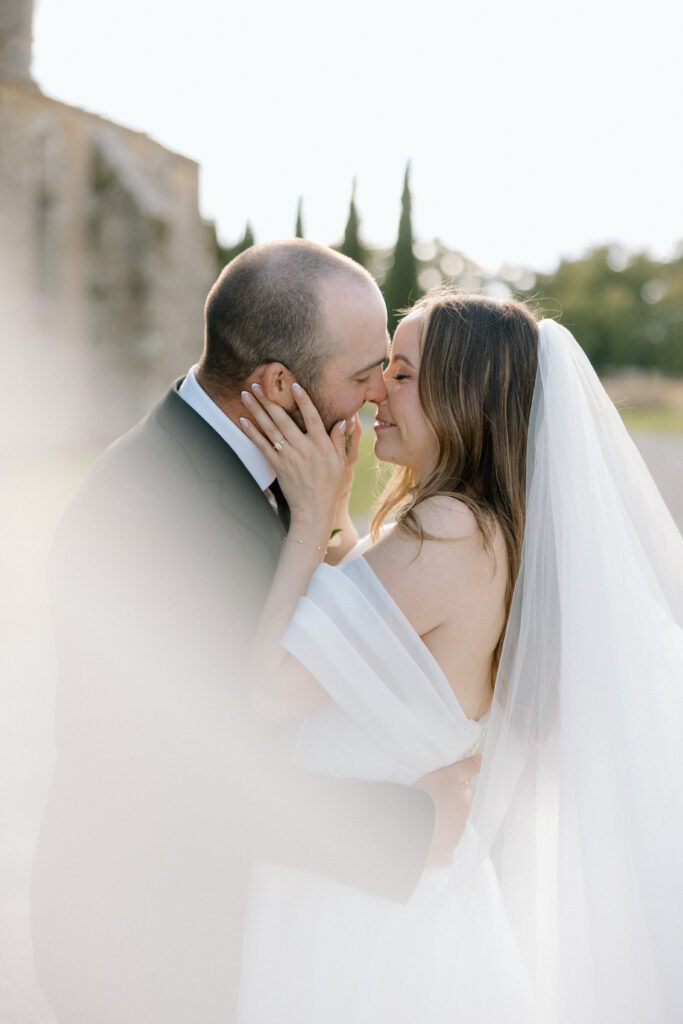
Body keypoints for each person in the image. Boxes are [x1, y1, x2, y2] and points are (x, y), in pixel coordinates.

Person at [31, 242, 477, 1024]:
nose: (379, 395)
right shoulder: (151, 510)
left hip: (213, 931)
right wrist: (412, 826)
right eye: (364, 371)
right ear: (276, 384)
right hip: (142, 951)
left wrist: (321, 520)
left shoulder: (255, 469)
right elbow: (188, 779)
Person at [236, 290, 683, 1023]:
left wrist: (310, 519)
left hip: (361, 904)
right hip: (397, 875)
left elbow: (273, 690)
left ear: (464, 395)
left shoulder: (443, 530)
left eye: (403, 374)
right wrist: (342, 518)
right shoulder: (479, 527)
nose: (377, 388)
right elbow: (377, 627)